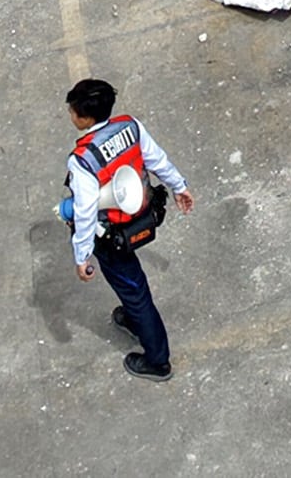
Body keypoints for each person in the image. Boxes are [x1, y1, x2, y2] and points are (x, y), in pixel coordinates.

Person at [61, 77, 194, 379]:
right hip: (140, 215)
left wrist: (82, 256)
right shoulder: (129, 126)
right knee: (129, 286)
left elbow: (84, 212)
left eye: (72, 111)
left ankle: (158, 361)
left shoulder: (82, 160)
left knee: (135, 290)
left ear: (84, 117)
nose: (70, 116)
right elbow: (156, 159)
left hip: (110, 234)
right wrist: (179, 186)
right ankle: (135, 321)